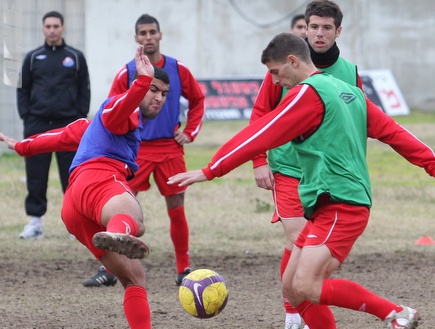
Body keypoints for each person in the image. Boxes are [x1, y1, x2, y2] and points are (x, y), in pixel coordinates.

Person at [168, 33, 429, 329]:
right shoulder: (351, 93)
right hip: (329, 204)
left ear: (293, 61)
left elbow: (262, 133)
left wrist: (211, 169)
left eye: (275, 72)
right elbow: (398, 135)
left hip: (342, 203)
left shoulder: (307, 94)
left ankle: (396, 314)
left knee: (306, 285)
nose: (275, 81)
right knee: (292, 286)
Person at [3, 45, 170, 329]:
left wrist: (21, 146)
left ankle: (116, 234)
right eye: (154, 90)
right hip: (98, 181)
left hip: (73, 205)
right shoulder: (120, 111)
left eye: (164, 93)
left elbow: (58, 136)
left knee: (135, 278)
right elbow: (119, 109)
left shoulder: (90, 126)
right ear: (138, 86)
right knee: (136, 221)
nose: (158, 98)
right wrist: (141, 83)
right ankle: (117, 233)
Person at [250, 2, 360, 328]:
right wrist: (259, 161)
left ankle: (305, 300)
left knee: (314, 253)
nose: (319, 33)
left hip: (328, 176)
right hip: (287, 169)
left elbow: (358, 123)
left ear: (338, 31)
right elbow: (260, 115)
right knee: (297, 237)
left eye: (327, 27)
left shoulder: (350, 74)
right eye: (314, 26)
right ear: (305, 28)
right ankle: (293, 311)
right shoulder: (284, 67)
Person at [84, 13, 205, 287]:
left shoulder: (177, 68)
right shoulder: (126, 72)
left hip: (170, 149)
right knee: (116, 207)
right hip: (135, 151)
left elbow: (198, 99)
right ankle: (110, 270)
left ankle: (183, 268)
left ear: (160, 35)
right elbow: (110, 111)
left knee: (176, 208)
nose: (148, 37)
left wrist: (190, 131)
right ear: (136, 38)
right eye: (143, 33)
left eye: (153, 32)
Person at [16, 11, 90, 239]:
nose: (52, 30)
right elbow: (22, 89)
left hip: (67, 124)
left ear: (63, 28)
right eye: (48, 26)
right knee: (36, 175)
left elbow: (84, 89)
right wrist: (27, 117)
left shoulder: (75, 57)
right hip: (37, 123)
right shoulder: (32, 57)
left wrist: (79, 117)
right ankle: (35, 223)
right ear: (43, 29)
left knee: (72, 175)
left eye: (56, 26)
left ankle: (74, 225)